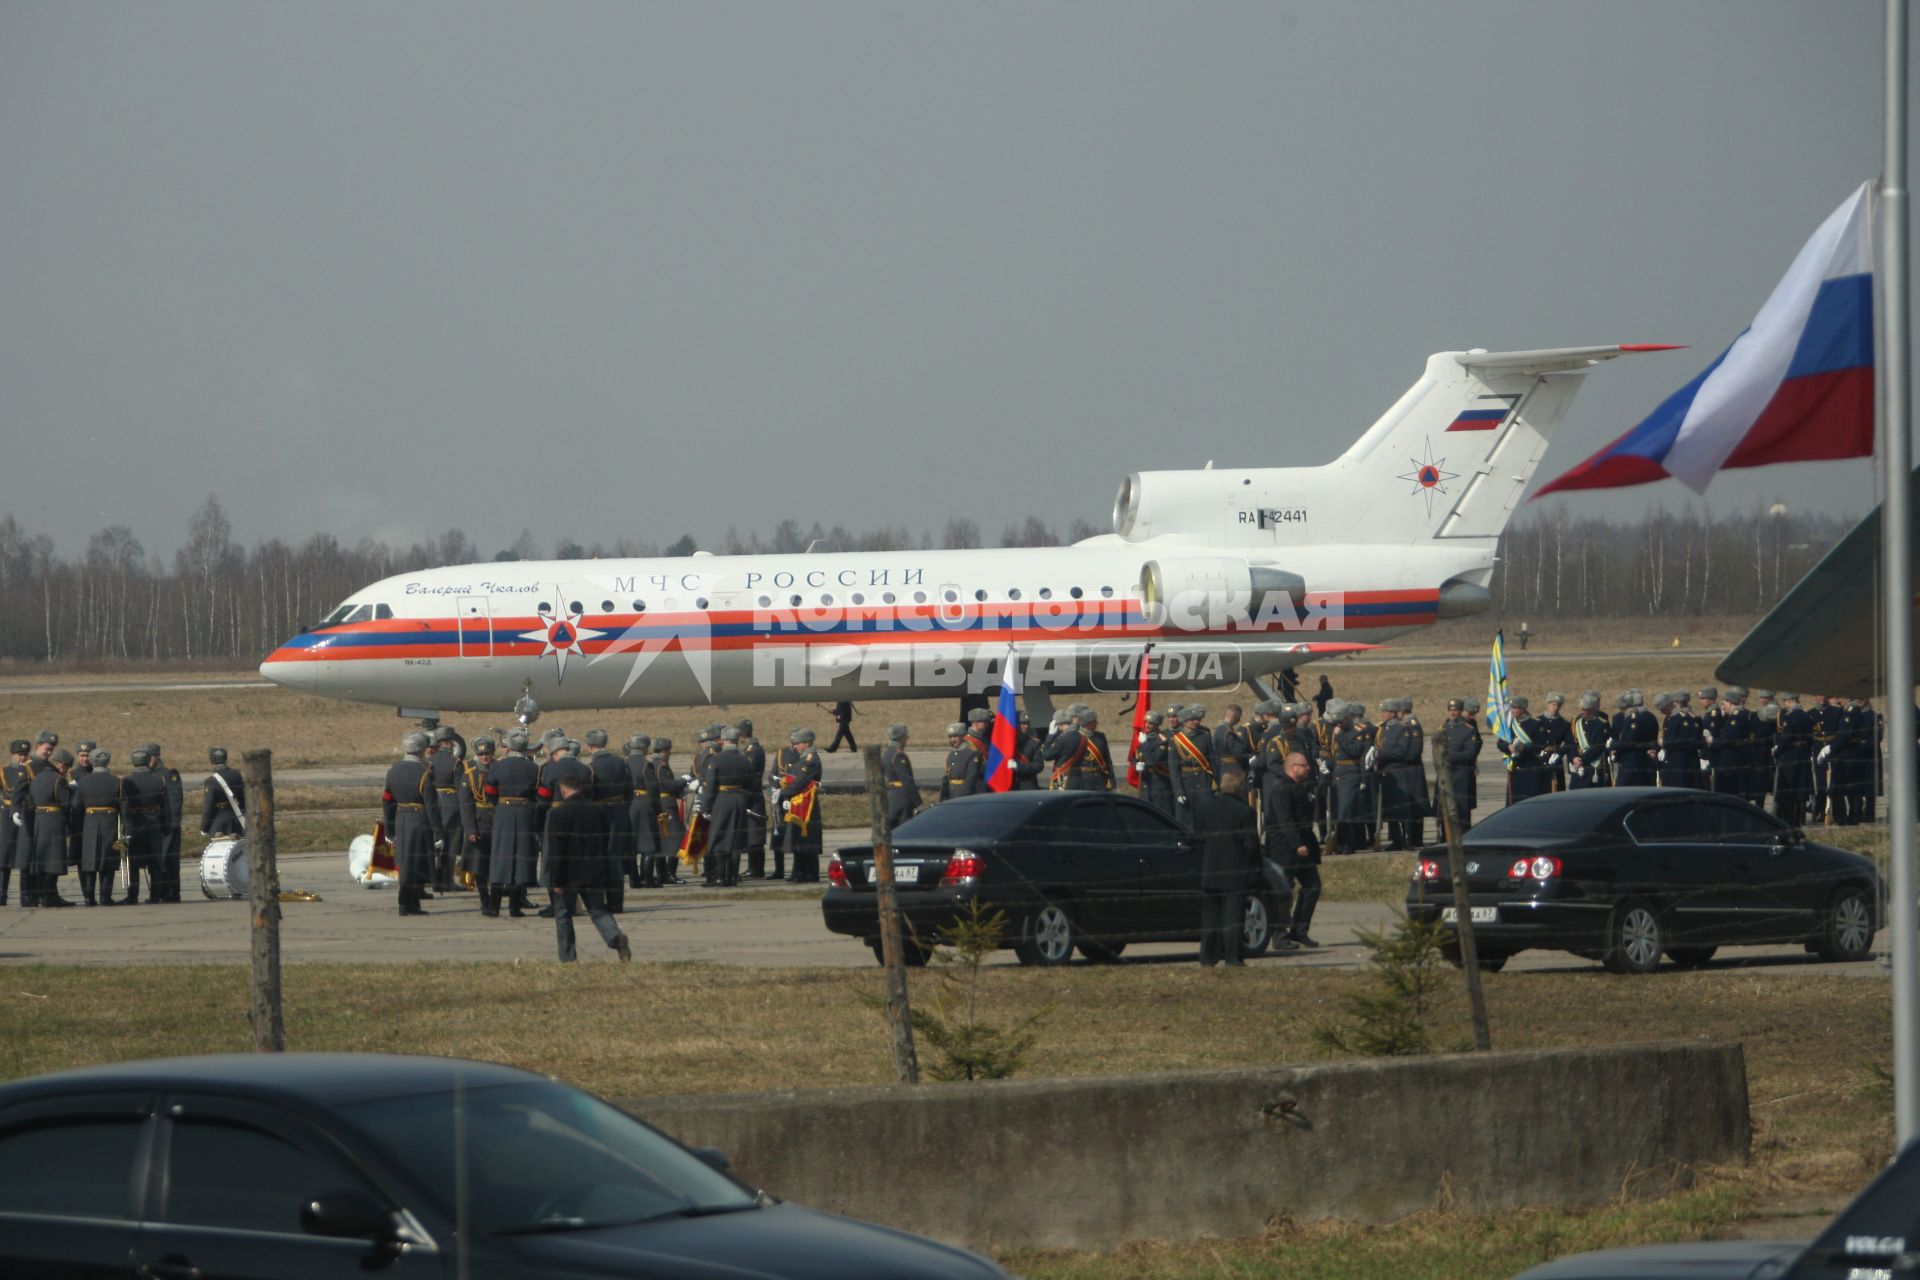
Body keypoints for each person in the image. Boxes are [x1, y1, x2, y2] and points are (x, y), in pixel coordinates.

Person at [544, 773, 632, 964]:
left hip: (567, 873)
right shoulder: (597, 809)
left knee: (563, 915)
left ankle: (568, 958)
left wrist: (555, 879)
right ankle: (615, 938)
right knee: (599, 911)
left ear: (563, 789)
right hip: (594, 870)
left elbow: (556, 848)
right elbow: (604, 840)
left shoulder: (558, 813)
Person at [1196, 767, 1260, 967]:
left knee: (1210, 919)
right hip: (1234, 871)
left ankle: (1208, 957)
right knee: (1233, 918)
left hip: (1210, 869)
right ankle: (1233, 957)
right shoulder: (1245, 811)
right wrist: (1256, 867)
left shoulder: (1206, 807)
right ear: (1240, 788)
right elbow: (1250, 845)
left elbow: (1198, 838)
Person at [1265, 750, 1320, 948]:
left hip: (1304, 847)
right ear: (1292, 768)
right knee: (1284, 891)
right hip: (1285, 849)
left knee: (1313, 886)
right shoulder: (1281, 788)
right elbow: (1284, 821)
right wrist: (1297, 844)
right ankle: (1280, 936)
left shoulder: (1303, 786)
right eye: (1304, 766)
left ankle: (1300, 930)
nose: (1307, 769)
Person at [584, 730, 635, 909]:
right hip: (620, 812)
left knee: (600, 858)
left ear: (590, 746)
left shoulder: (590, 767)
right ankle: (616, 902)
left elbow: (589, 795)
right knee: (617, 859)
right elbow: (630, 790)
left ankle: (600, 901)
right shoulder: (621, 762)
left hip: (600, 816)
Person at [701, 726, 754, 888]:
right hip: (739, 799)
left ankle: (720, 876)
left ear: (724, 740)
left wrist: (706, 806)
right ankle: (732, 876)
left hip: (722, 800)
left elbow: (710, 786)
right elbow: (749, 783)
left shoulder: (716, 759)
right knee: (735, 838)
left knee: (719, 838)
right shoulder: (745, 759)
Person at [24, 748, 76, 908]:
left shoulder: (36, 779)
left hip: (40, 821)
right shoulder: (58, 780)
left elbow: (30, 803)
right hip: (55, 821)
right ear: (60, 765)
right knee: (54, 860)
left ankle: (44, 894)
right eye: (66, 767)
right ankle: (49, 896)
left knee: (41, 860)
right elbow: (67, 804)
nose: (66, 771)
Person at [71, 747, 123, 907]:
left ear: (92, 762)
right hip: (110, 823)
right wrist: (127, 827)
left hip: (90, 823)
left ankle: (89, 897)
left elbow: (76, 806)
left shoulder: (83, 781)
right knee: (108, 861)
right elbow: (124, 806)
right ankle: (105, 897)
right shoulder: (117, 781)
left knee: (89, 861)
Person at [1376, 697, 1428, 851]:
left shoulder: (1404, 728)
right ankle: (1396, 839)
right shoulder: (1384, 729)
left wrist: (1381, 754)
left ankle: (1409, 839)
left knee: (1404, 808)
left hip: (1401, 771)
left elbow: (1404, 751)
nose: (1383, 715)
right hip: (1386, 772)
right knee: (1391, 809)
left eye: (1385, 712)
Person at [120, 747, 167, 905]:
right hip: (154, 822)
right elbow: (164, 806)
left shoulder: (127, 781)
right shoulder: (159, 780)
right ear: (148, 761)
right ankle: (155, 895)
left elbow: (124, 806)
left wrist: (126, 827)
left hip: (135, 822)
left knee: (134, 861)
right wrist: (165, 827)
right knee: (155, 861)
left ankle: (132, 895)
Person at [779, 728, 824, 882]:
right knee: (799, 839)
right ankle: (800, 871)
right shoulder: (804, 758)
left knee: (807, 839)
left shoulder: (810, 760)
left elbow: (800, 782)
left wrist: (783, 793)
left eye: (797, 743)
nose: (795, 747)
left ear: (807, 743)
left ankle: (809, 873)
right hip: (799, 803)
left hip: (807, 804)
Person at [459, 736, 498, 913]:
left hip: (497, 820)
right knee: (479, 865)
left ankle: (496, 901)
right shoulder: (470, 773)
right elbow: (465, 805)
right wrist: (470, 829)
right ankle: (485, 900)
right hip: (479, 821)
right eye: (481, 754)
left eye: (487, 754)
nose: (484, 757)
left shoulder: (499, 769)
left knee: (497, 864)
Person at [427, 727, 463, 893]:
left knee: (434, 844)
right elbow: (461, 789)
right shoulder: (455, 762)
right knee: (450, 845)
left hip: (433, 803)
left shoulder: (429, 761)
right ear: (450, 742)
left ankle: (433, 880)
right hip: (451, 804)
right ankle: (447, 880)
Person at [148, 743, 185, 903]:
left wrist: (172, 823)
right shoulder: (149, 775)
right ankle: (160, 892)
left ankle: (172, 891)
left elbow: (175, 799)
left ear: (157, 756)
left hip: (168, 824)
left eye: (152, 756)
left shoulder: (169, 773)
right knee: (157, 860)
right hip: (156, 825)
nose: (149, 759)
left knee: (169, 859)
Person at [1438, 699, 1482, 833]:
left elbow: (1470, 753)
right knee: (1444, 806)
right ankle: (1445, 835)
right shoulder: (1443, 728)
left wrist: (1449, 757)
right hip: (1445, 773)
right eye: (1450, 709)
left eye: (1456, 710)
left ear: (1461, 711)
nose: (1453, 712)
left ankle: (1463, 834)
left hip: (1461, 773)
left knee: (1461, 807)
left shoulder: (1468, 730)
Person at [1169, 706, 1217, 822]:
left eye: (1197, 719)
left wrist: (1216, 783)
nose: (1197, 721)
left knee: (1206, 816)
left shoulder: (1204, 736)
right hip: (1186, 782)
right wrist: (1178, 791)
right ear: (1185, 721)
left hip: (1204, 780)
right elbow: (1174, 769)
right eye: (1193, 719)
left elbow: (1213, 762)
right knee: (1186, 818)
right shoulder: (1176, 740)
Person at [626, 734, 661, 888]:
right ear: (644, 748)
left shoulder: (624, 763)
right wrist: (657, 809)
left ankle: (634, 879)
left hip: (629, 804)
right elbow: (653, 789)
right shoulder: (646, 764)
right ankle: (647, 878)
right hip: (645, 803)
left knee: (631, 845)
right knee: (648, 843)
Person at [737, 719, 770, 879]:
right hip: (753, 794)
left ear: (742, 735)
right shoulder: (756, 748)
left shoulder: (751, 751)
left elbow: (748, 773)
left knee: (754, 835)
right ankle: (754, 867)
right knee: (752, 834)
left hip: (752, 795)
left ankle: (756, 869)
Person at [1774, 694, 1814, 826]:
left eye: (1785, 701)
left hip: (1790, 755)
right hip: (1803, 754)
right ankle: (1800, 818)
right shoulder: (1806, 715)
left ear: (1789, 701)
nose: (1784, 704)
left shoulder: (1790, 716)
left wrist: (1777, 751)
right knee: (1800, 787)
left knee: (1789, 788)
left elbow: (1787, 738)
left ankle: (1789, 819)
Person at [652, 738, 688, 882]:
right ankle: (670, 874)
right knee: (676, 839)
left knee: (662, 839)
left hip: (659, 805)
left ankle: (662, 874)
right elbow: (668, 785)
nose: (670, 754)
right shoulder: (661, 766)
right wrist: (684, 781)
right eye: (668, 751)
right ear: (664, 751)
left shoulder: (652, 764)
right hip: (666, 805)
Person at [0, 739, 28, 906]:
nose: (22, 758)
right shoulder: (4, 771)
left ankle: (25, 895)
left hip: (25, 813)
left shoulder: (29, 771)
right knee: (4, 856)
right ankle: (1, 893)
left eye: (24, 755)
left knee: (24, 855)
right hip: (6, 816)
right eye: (19, 755)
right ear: (12, 755)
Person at [1568, 692, 1612, 790]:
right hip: (1578, 767)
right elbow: (1572, 743)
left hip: (1593, 767)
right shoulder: (1577, 723)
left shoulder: (1601, 725)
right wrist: (1574, 758)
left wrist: (1581, 760)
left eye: (1585, 710)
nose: (1582, 711)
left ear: (1591, 710)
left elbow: (1598, 747)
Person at [200, 746, 245, 838]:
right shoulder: (236, 774)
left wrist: (204, 828)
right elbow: (243, 800)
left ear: (212, 761)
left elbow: (208, 807)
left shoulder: (211, 781)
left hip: (219, 823)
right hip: (236, 819)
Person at [1136, 710, 1175, 814]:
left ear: (1157, 725)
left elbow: (1152, 760)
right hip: (1145, 783)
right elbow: (1137, 756)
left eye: (1151, 723)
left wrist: (1144, 744)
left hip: (1159, 783)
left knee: (1161, 812)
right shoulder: (1144, 737)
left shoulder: (1162, 740)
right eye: (1146, 722)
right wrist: (1137, 764)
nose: (1147, 725)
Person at [882, 724, 919, 832]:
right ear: (901, 738)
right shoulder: (898, 755)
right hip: (902, 797)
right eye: (905, 736)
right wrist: (918, 803)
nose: (907, 739)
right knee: (904, 830)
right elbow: (907, 781)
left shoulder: (887, 753)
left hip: (891, 795)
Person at [940, 722, 978, 801]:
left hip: (965, 797)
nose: (952, 740)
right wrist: (943, 797)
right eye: (950, 737)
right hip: (952, 796)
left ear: (963, 736)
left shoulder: (971, 753)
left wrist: (960, 797)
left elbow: (970, 779)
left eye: (955, 736)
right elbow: (947, 778)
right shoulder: (951, 754)